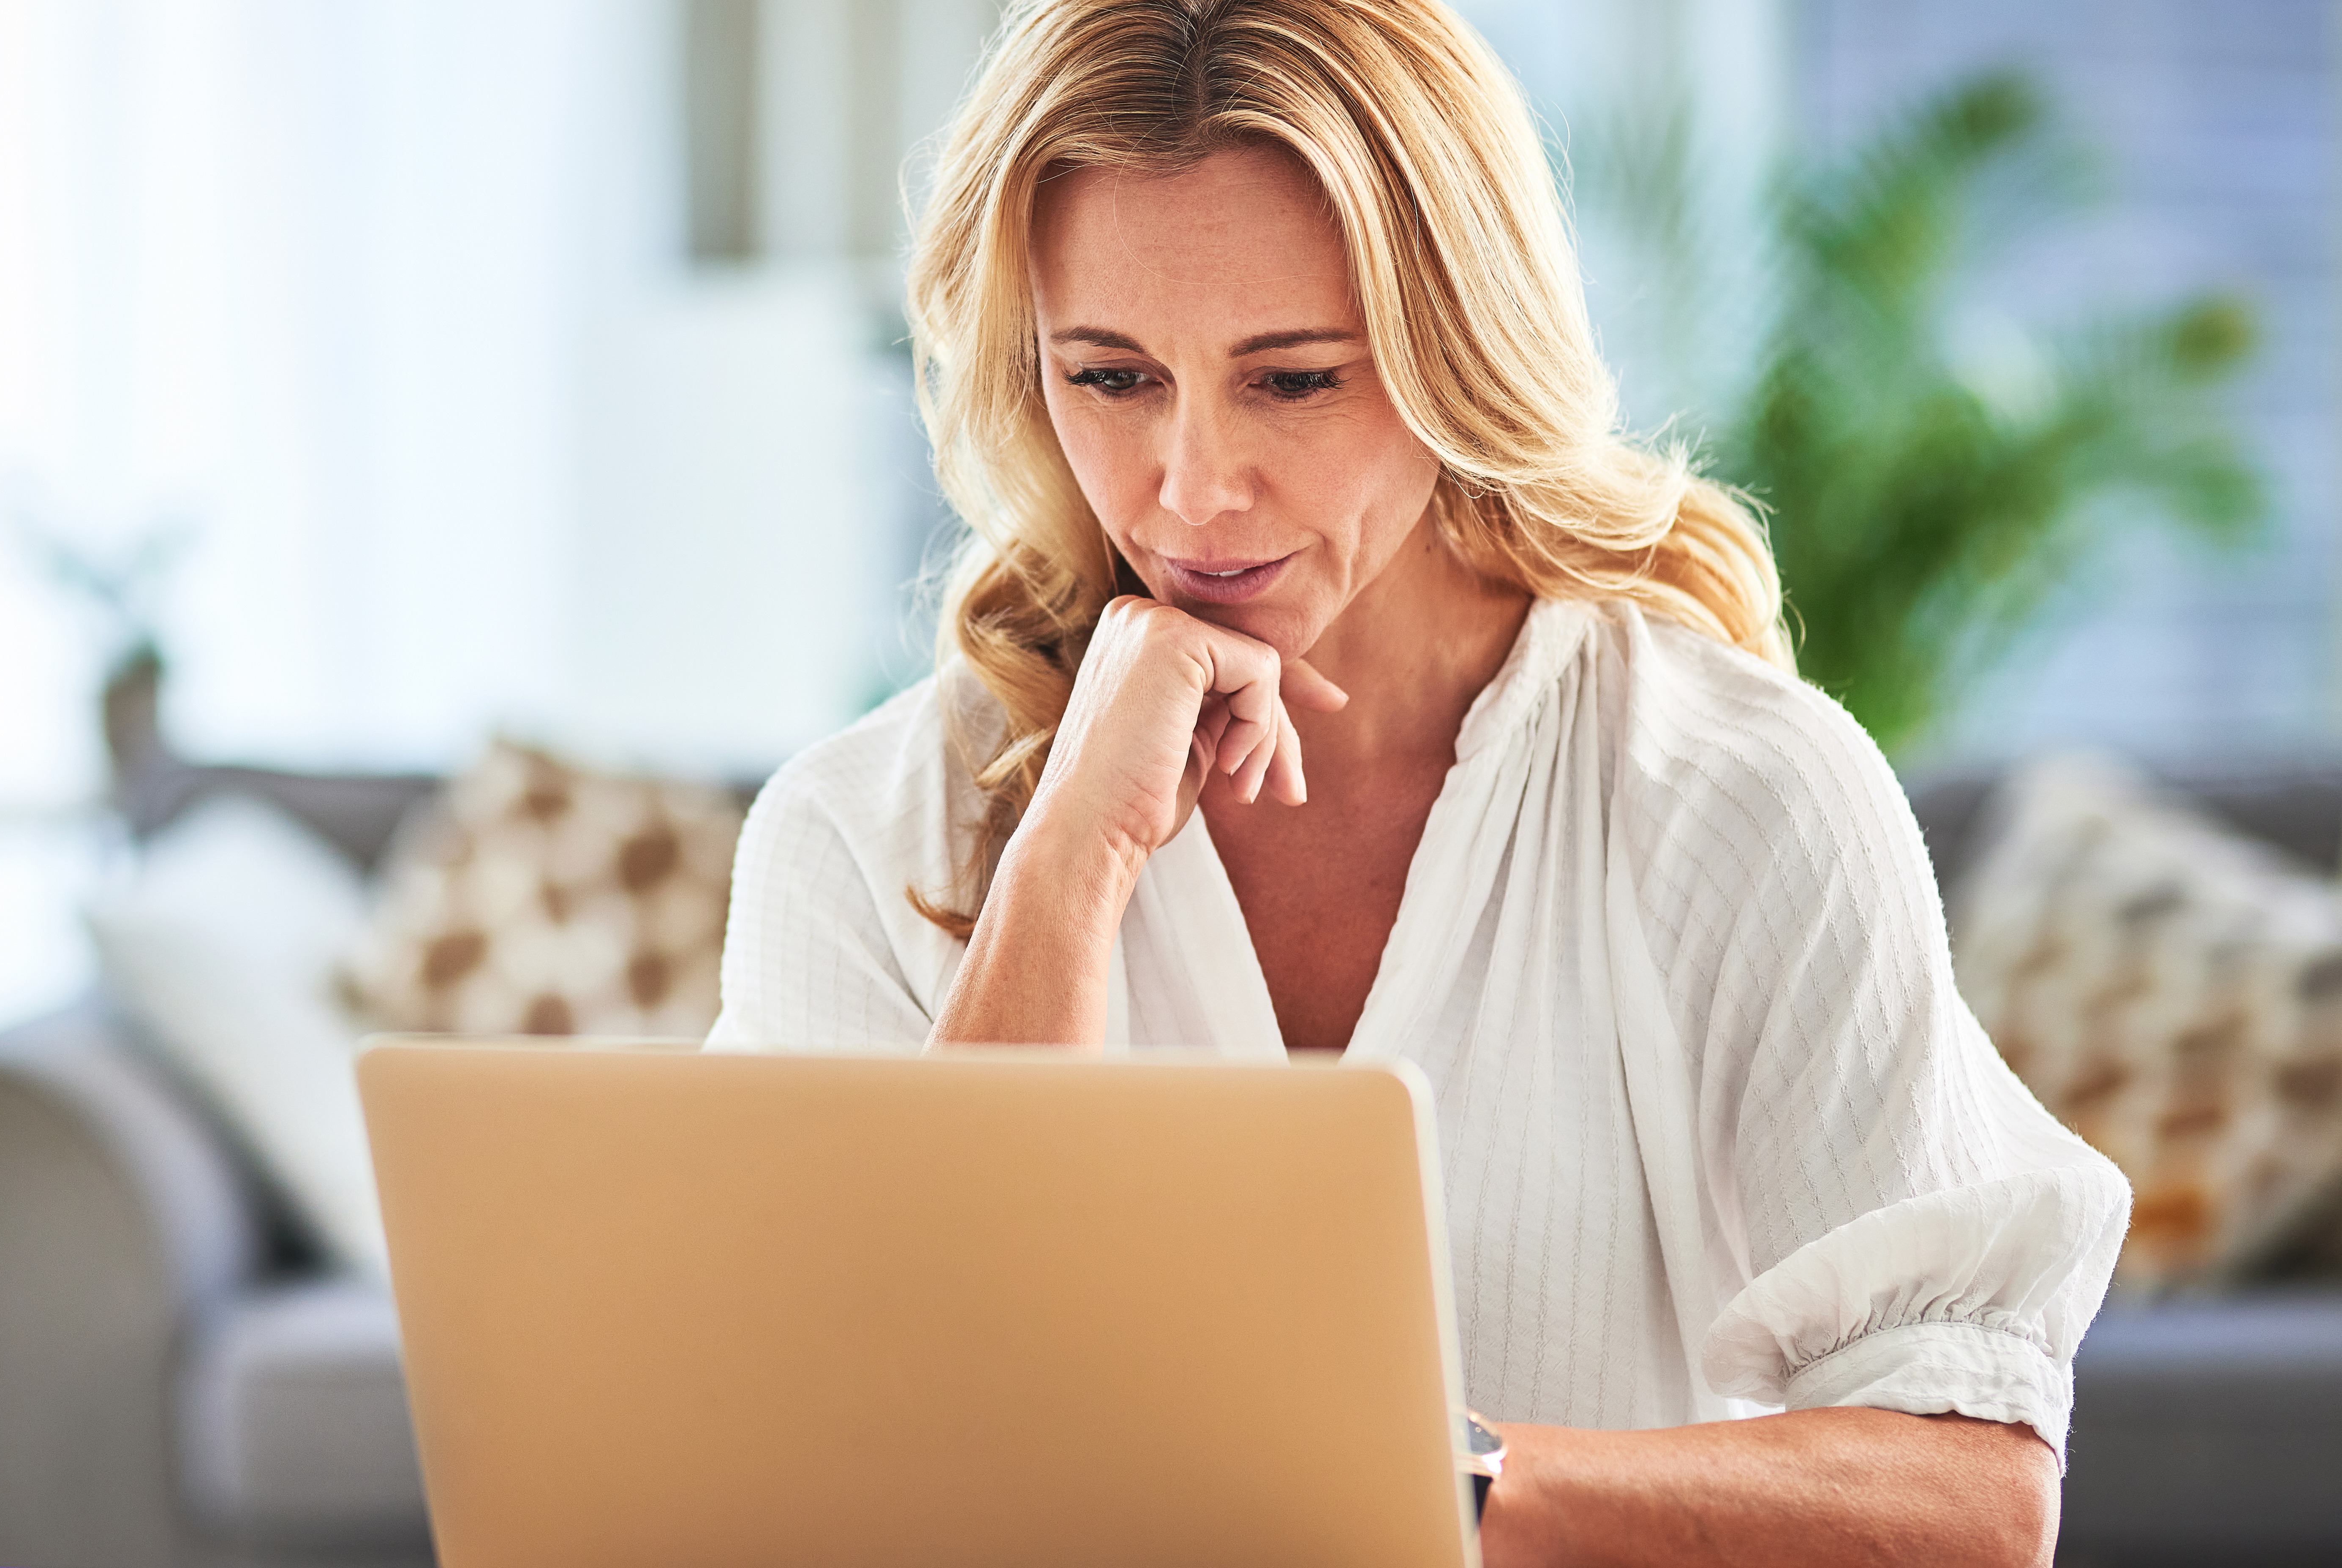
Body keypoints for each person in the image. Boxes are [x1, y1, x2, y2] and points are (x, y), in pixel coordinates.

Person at [704, 2, 2128, 1563]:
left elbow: (1972, 1501)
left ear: (1459, 355)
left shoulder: (1735, 794)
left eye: (1295, 380)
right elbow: (844, 1469)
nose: (1191, 487)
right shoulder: (858, 832)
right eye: (1110, 376)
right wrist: (1067, 862)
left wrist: (1405, 1476)